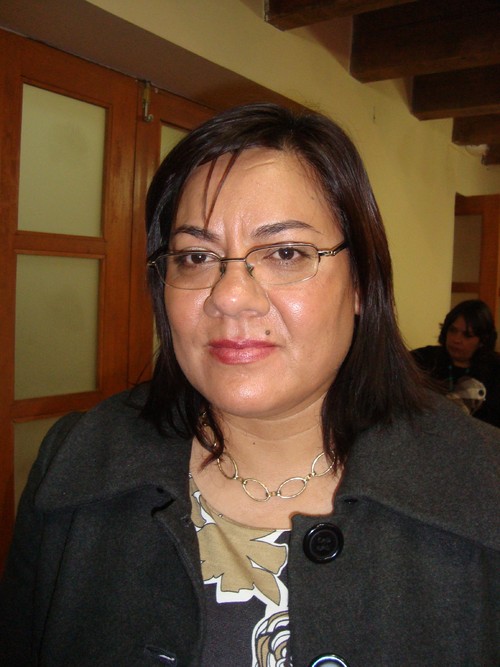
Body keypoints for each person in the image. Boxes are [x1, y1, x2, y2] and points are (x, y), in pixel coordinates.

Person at [1, 103, 499, 667]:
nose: (230, 296)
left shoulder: (483, 482)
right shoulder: (77, 461)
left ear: (362, 282)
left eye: (285, 253)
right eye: (196, 256)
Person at [412, 299, 500, 427]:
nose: (456, 339)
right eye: (452, 330)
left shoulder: (495, 370)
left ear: (482, 341)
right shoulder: (425, 358)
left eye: (467, 335)